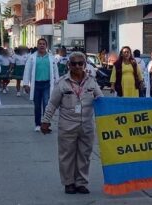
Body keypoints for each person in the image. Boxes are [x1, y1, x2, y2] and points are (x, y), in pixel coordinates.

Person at [40, 51, 103, 194]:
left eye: (80, 63)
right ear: (69, 65)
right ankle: (69, 183)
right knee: (66, 156)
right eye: (74, 63)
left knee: (84, 155)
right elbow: (52, 104)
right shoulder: (62, 83)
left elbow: (101, 100)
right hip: (67, 125)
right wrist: (45, 121)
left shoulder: (92, 81)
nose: (77, 66)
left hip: (86, 125)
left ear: (85, 64)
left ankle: (81, 182)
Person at [23, 38, 59, 132]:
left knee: (47, 105)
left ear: (46, 46)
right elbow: (27, 71)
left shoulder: (51, 58)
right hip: (36, 85)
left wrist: (58, 84)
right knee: (37, 106)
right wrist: (26, 84)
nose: (42, 45)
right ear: (37, 45)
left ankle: (45, 124)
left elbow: (56, 72)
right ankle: (38, 124)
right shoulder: (32, 57)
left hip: (47, 84)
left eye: (43, 44)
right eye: (40, 44)